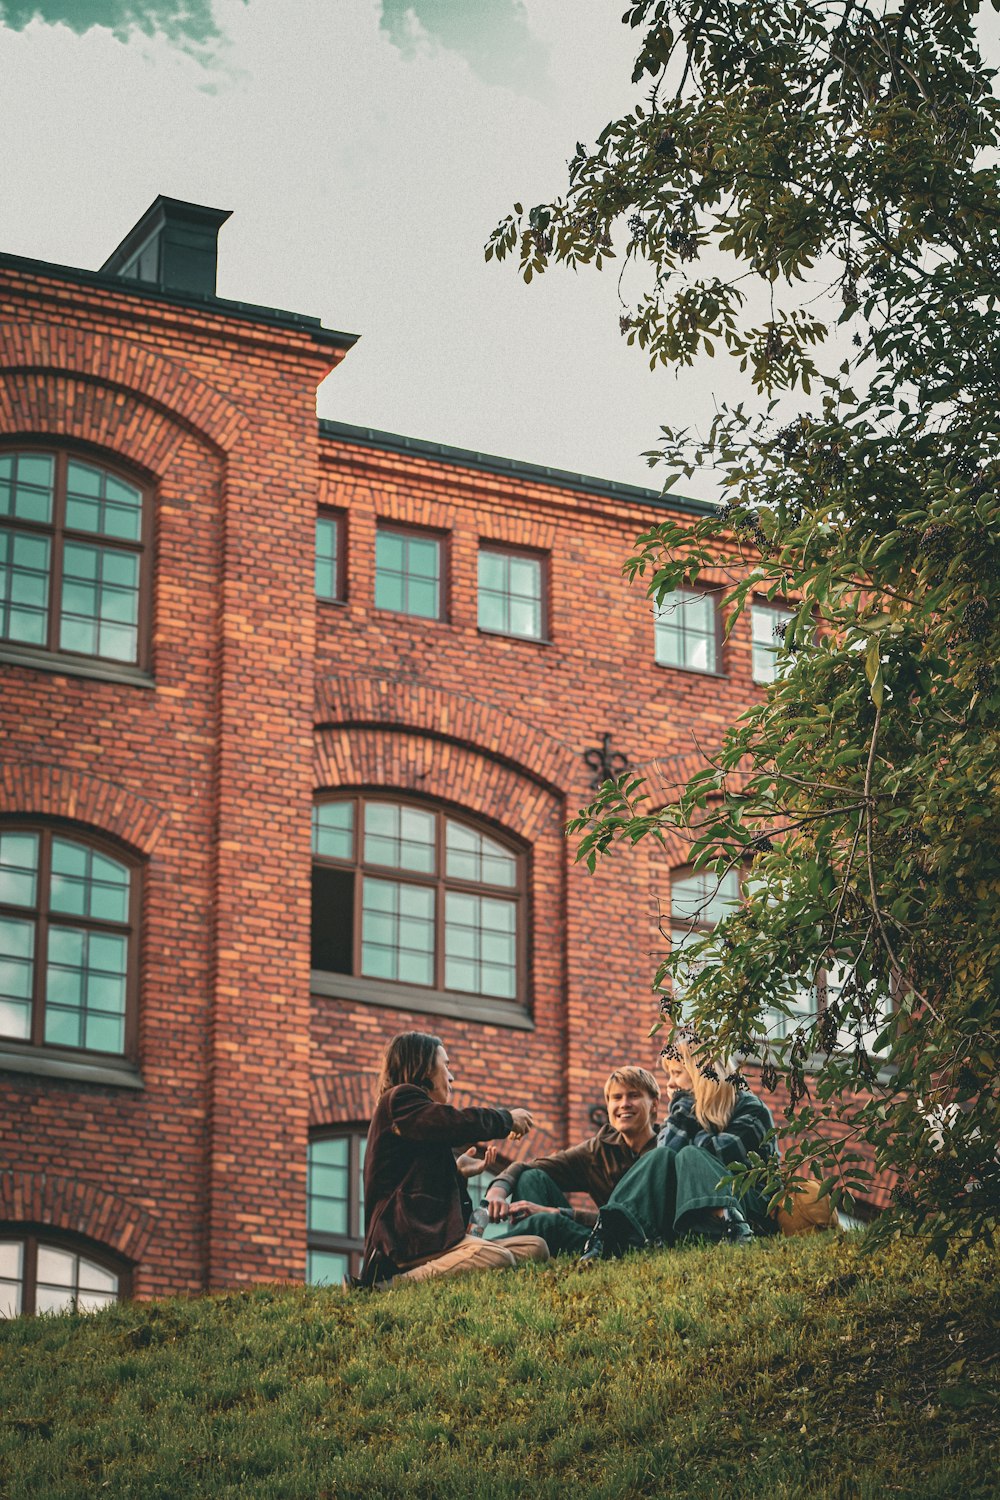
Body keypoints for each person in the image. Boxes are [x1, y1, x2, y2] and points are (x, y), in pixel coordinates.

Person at [360, 1031, 549, 1286]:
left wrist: (457, 1174)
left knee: (535, 1247)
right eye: (446, 1065)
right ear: (425, 1067)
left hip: (431, 1240)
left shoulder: (417, 1120)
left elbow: (416, 1182)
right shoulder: (399, 1100)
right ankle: (386, 1286)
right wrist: (506, 1120)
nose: (451, 1077)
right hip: (403, 1243)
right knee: (496, 1256)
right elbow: (454, 1122)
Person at [483, 1067, 663, 1256]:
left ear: (654, 1104)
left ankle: (482, 1253)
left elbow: (637, 1221)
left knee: (546, 1222)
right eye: (617, 1098)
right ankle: (520, 1256)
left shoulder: (665, 1150)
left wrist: (558, 1213)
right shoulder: (600, 1149)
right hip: (596, 1237)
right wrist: (495, 1194)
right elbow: (526, 1166)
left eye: (633, 1096)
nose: (624, 1104)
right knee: (531, 1177)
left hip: (627, 1244)